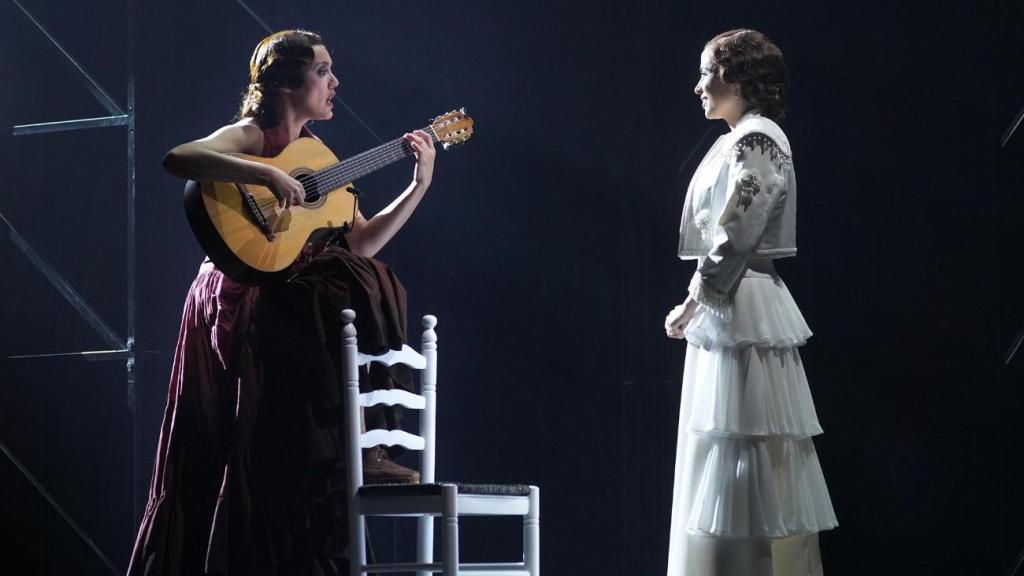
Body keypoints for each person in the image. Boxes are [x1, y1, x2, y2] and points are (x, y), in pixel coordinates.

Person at [128, 29, 436, 576]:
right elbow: (181, 158)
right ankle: (361, 447)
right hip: (237, 290)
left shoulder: (320, 156)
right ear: (287, 82)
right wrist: (263, 170)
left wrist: (417, 186)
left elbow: (361, 239)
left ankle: (362, 444)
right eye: (323, 71)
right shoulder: (256, 133)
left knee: (362, 272)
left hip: (287, 294)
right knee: (348, 280)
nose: (335, 81)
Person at [663, 29, 838, 576]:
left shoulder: (758, 139)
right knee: (728, 445)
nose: (698, 86)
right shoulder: (741, 137)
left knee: (747, 446)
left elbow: (739, 227)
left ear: (738, 77)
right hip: (733, 300)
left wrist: (696, 299)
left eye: (707, 72)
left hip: (740, 303)